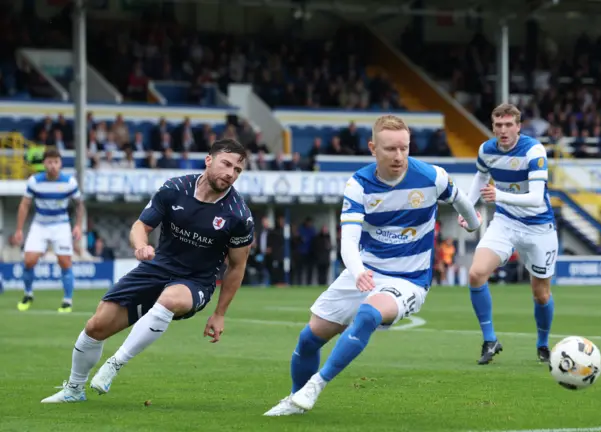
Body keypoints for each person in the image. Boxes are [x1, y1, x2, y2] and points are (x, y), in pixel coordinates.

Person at [264, 115, 481, 416]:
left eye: (404, 148)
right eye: (390, 149)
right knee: (309, 339)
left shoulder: (431, 176)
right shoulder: (359, 185)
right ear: (373, 148)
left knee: (368, 315)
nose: (399, 156)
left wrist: (472, 223)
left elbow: (460, 200)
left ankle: (316, 385)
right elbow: (348, 241)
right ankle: (294, 400)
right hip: (365, 272)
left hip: (409, 280)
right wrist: (358, 272)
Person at [41, 139, 254, 403]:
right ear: (209, 160)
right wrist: (141, 246)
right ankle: (73, 390)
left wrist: (219, 314)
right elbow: (140, 226)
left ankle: (114, 364)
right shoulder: (174, 188)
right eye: (226, 164)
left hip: (196, 281)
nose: (230, 173)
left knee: (170, 299)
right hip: (157, 267)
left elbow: (237, 266)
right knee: (96, 326)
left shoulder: (239, 216)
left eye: (237, 170)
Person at [461, 103, 557, 365]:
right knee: (476, 273)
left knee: (541, 294)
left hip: (539, 227)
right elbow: (480, 178)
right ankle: (490, 339)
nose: (503, 130)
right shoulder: (487, 150)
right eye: (498, 125)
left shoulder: (534, 151)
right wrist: (467, 210)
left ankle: (542, 344)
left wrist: (499, 195)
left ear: (518, 126)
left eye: (508, 125)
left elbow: (537, 198)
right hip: (505, 221)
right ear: (493, 127)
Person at [15, 147, 84, 313]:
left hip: (61, 225)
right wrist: (19, 229)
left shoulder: (69, 182)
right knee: (29, 261)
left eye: (56, 162)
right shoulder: (34, 181)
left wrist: (78, 225)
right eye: (49, 162)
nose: (53, 165)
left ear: (60, 164)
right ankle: (28, 294)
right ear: (44, 163)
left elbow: (79, 204)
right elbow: (25, 204)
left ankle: (67, 300)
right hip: (40, 225)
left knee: (65, 262)